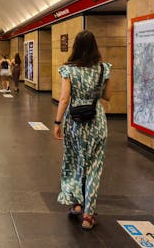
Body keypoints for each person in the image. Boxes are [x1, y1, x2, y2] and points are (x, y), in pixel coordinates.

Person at [53, 30, 112, 230]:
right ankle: (88, 214)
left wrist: (57, 122)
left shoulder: (68, 70)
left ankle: (76, 203)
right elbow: (108, 96)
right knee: (94, 167)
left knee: (74, 161)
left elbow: (64, 98)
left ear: (75, 47)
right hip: (97, 122)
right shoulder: (104, 69)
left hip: (75, 121)